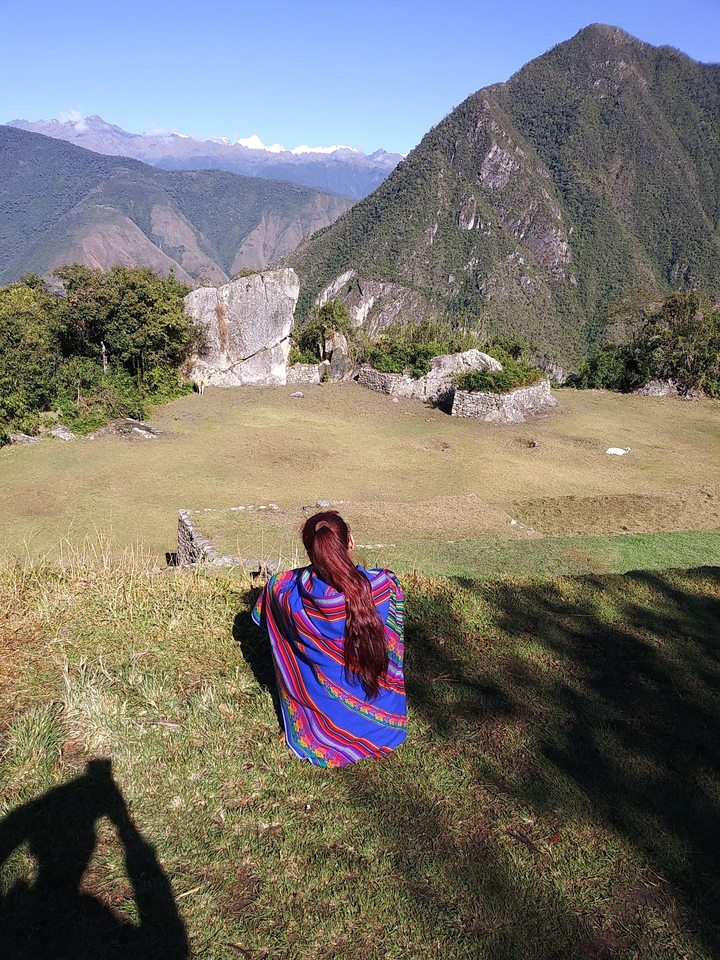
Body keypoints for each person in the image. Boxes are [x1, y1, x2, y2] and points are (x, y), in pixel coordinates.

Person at [251, 511, 407, 767]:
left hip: (325, 725)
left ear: (309, 551)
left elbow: (264, 613)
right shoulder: (385, 586)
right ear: (351, 542)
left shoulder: (282, 592)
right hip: (386, 723)